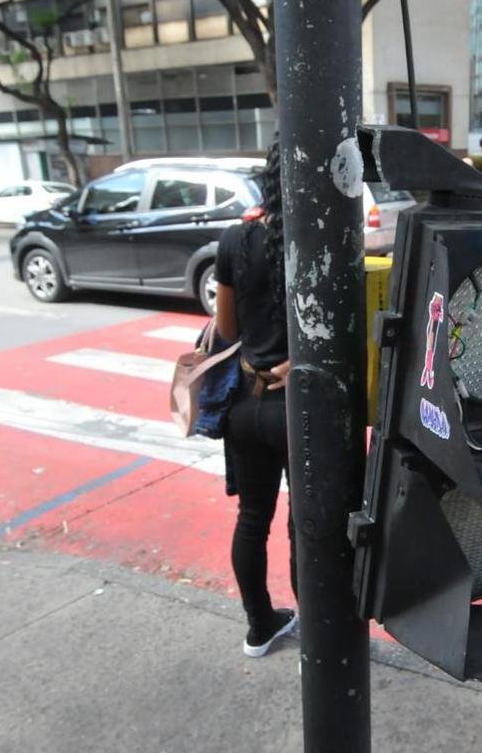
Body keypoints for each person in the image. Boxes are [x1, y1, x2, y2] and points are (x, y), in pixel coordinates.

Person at [214, 141, 298, 659]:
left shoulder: (234, 240)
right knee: (305, 525)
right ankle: (320, 632)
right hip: (300, 409)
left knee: (252, 518)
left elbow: (226, 330)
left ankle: (259, 626)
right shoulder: (322, 244)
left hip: (246, 401)